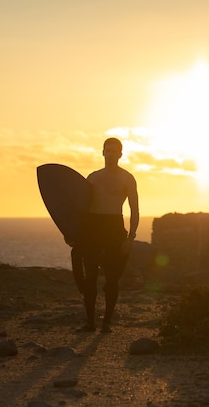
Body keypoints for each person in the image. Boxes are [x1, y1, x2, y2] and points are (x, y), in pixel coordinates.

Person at [72, 137, 139, 333]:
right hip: (92, 227)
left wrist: (131, 237)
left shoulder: (128, 178)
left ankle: (107, 323)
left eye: (114, 151)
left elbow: (134, 209)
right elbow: (80, 208)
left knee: (112, 279)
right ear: (102, 152)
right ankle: (90, 323)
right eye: (107, 150)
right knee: (90, 276)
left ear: (120, 154)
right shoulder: (92, 177)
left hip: (114, 227)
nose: (110, 154)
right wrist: (73, 232)